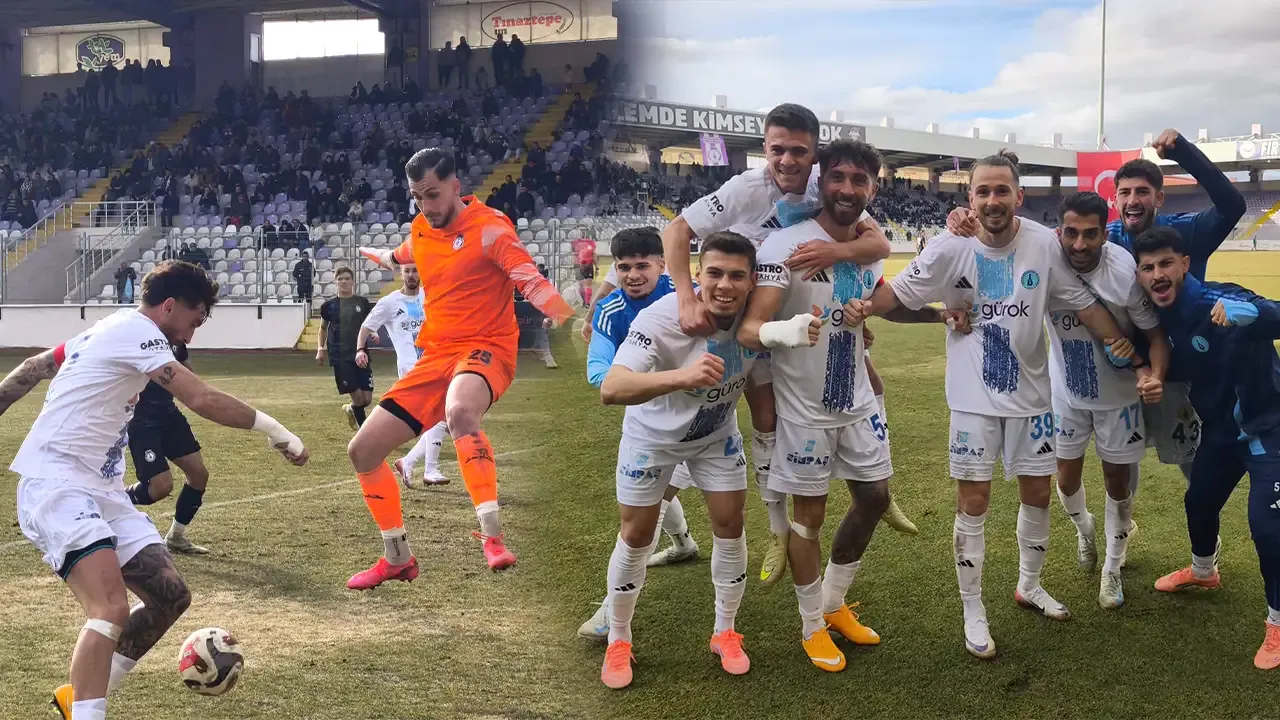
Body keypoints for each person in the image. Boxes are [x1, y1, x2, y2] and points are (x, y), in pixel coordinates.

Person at [611, 103, 915, 590]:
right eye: (777, 149)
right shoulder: (746, 188)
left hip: (799, 306)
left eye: (799, 151)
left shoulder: (828, 185)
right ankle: (776, 529)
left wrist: (835, 252)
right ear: (764, 148)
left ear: (814, 156)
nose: (787, 160)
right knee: (754, 416)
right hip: (745, 310)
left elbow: (877, 243)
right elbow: (677, 229)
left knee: (865, 377)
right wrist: (686, 297)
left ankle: (879, 487)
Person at [0, 260, 307, 720]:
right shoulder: (138, 332)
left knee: (169, 595)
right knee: (109, 609)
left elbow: (34, 367)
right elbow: (201, 398)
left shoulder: (106, 329)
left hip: (102, 490)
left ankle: (77, 699)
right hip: (57, 484)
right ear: (168, 306)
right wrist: (277, 432)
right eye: (194, 321)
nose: (192, 335)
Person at [860, 150, 1135, 659]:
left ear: (1018, 196)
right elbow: (896, 294)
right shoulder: (949, 247)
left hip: (1032, 398)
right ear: (970, 198)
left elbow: (1083, 304)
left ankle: (1029, 585)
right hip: (973, 400)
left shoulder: (1044, 245)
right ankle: (973, 609)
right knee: (974, 502)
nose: (992, 200)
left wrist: (1125, 346)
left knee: (1039, 495)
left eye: (1001, 190)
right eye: (983, 191)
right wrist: (858, 310)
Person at [741, 139, 945, 671]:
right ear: (822, 181)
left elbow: (882, 302)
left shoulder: (867, 247)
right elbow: (749, 328)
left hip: (855, 399)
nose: (847, 189)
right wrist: (788, 330)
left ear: (873, 189)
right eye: (838, 177)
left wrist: (941, 314)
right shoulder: (784, 246)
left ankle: (833, 603)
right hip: (804, 408)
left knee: (874, 497)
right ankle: (811, 626)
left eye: (859, 180)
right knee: (809, 519)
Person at [947, 129, 1245, 482]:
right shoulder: (1103, 237)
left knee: (1190, 463)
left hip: (1175, 371)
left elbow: (1233, 206)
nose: (1133, 200)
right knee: (1124, 465)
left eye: (1143, 192)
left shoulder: (1187, 231)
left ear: (1160, 198)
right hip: (1119, 375)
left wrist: (1184, 153)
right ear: (1115, 200)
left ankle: (1204, 515)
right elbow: (1022, 239)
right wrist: (965, 215)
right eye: (1125, 192)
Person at [348, 147, 574, 585]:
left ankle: (492, 536)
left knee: (460, 411)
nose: (425, 206)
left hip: (487, 348)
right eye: (417, 197)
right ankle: (398, 558)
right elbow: (400, 255)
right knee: (363, 450)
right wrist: (373, 254)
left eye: (432, 195)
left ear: (455, 187)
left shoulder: (491, 228)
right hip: (437, 354)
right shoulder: (421, 230)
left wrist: (567, 316)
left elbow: (529, 279)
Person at [596, 231, 771, 689]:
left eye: (736, 276)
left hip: (715, 436)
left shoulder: (758, 318)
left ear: (753, 280)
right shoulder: (661, 317)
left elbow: (763, 387)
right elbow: (612, 387)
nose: (724, 285)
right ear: (697, 274)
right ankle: (619, 639)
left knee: (730, 525)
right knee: (636, 535)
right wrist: (682, 377)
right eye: (714, 273)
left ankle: (725, 631)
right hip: (652, 439)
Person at [1133, 226, 1280, 670]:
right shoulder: (1160, 320)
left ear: (1185, 264)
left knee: (1268, 527)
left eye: (1165, 263)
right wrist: (1133, 361)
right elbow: (1152, 356)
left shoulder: (1220, 297)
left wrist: (1256, 314)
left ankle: (1277, 620)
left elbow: (1275, 314)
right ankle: (1203, 571)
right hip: (1221, 434)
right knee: (1198, 501)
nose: (1157, 274)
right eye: (1147, 267)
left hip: (1269, 429)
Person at [1044, 192, 1170, 609]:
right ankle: (1085, 530)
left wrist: (1153, 375)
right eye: (1071, 233)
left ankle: (1112, 569)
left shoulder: (1123, 271)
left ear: (1104, 232)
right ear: (1059, 231)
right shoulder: (1045, 259)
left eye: (1090, 234)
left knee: (1118, 481)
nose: (1079, 244)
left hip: (1119, 398)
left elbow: (1155, 336)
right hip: (1066, 392)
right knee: (1065, 478)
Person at [576, 227, 699, 642]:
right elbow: (599, 374)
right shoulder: (611, 311)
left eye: (642, 265)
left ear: (662, 264)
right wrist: (661, 380)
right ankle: (683, 544)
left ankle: (611, 610)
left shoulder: (687, 294)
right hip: (652, 418)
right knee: (656, 495)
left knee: (653, 505)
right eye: (624, 267)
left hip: (703, 417)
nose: (633, 275)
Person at [355, 262, 451, 487]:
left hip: (434, 363)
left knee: (442, 417)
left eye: (415, 270)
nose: (411, 275)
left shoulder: (430, 296)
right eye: (407, 271)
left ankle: (410, 463)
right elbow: (366, 327)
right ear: (401, 274)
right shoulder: (389, 302)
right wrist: (360, 349)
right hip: (411, 370)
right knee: (441, 415)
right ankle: (428, 468)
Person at [124, 341, 216, 555]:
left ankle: (176, 537)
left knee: (199, 475)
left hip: (169, 415)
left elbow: (189, 376)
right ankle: (114, 499)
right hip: (142, 421)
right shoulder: (139, 338)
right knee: (161, 487)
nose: (189, 335)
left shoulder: (176, 341)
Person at [317, 266, 374, 429]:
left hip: (361, 353)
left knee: (367, 399)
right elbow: (323, 328)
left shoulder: (362, 303)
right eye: (340, 279)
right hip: (340, 356)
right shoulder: (328, 306)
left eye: (347, 278)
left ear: (353, 282)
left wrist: (373, 332)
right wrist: (320, 348)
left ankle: (350, 409)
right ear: (336, 283)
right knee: (359, 399)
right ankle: (364, 433)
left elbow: (369, 323)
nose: (344, 282)